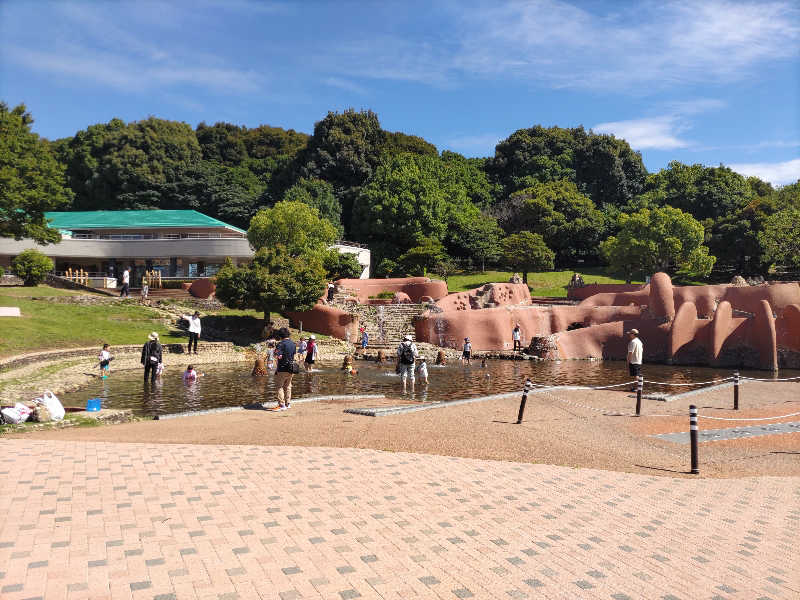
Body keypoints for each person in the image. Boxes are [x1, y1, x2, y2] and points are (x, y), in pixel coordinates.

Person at [272, 327, 296, 410]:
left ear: (280, 335)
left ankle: (281, 405)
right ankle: (288, 403)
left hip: (282, 368)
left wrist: (275, 351)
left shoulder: (281, 344)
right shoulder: (293, 344)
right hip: (291, 368)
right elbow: (293, 355)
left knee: (279, 386)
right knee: (288, 386)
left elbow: (277, 355)